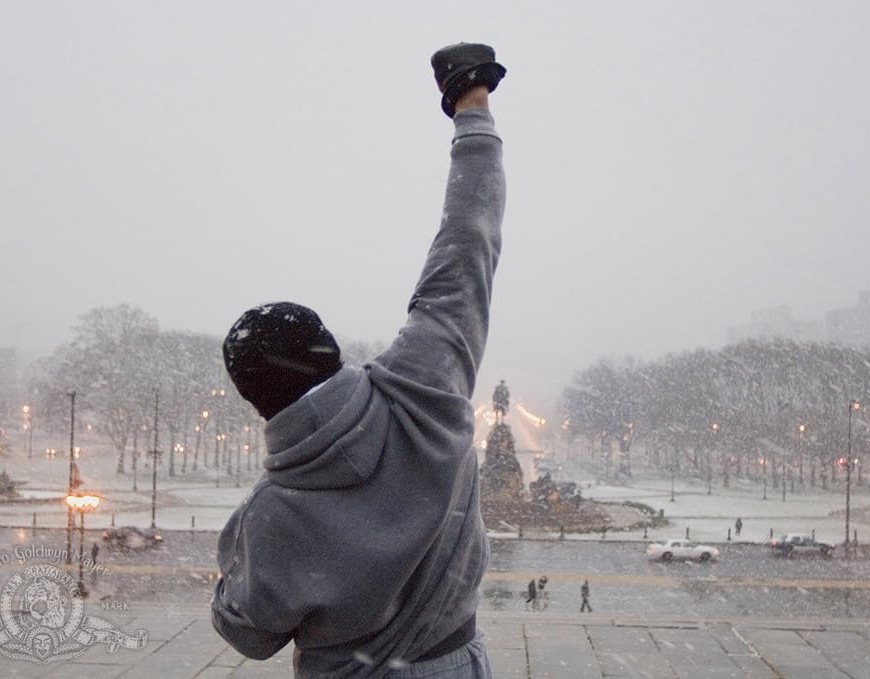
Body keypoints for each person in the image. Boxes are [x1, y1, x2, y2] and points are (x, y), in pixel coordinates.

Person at [211, 42, 506, 678]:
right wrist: (471, 108)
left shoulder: (272, 514)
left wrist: (235, 556)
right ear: (331, 350)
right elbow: (468, 240)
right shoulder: (423, 385)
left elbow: (249, 634)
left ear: (254, 399)